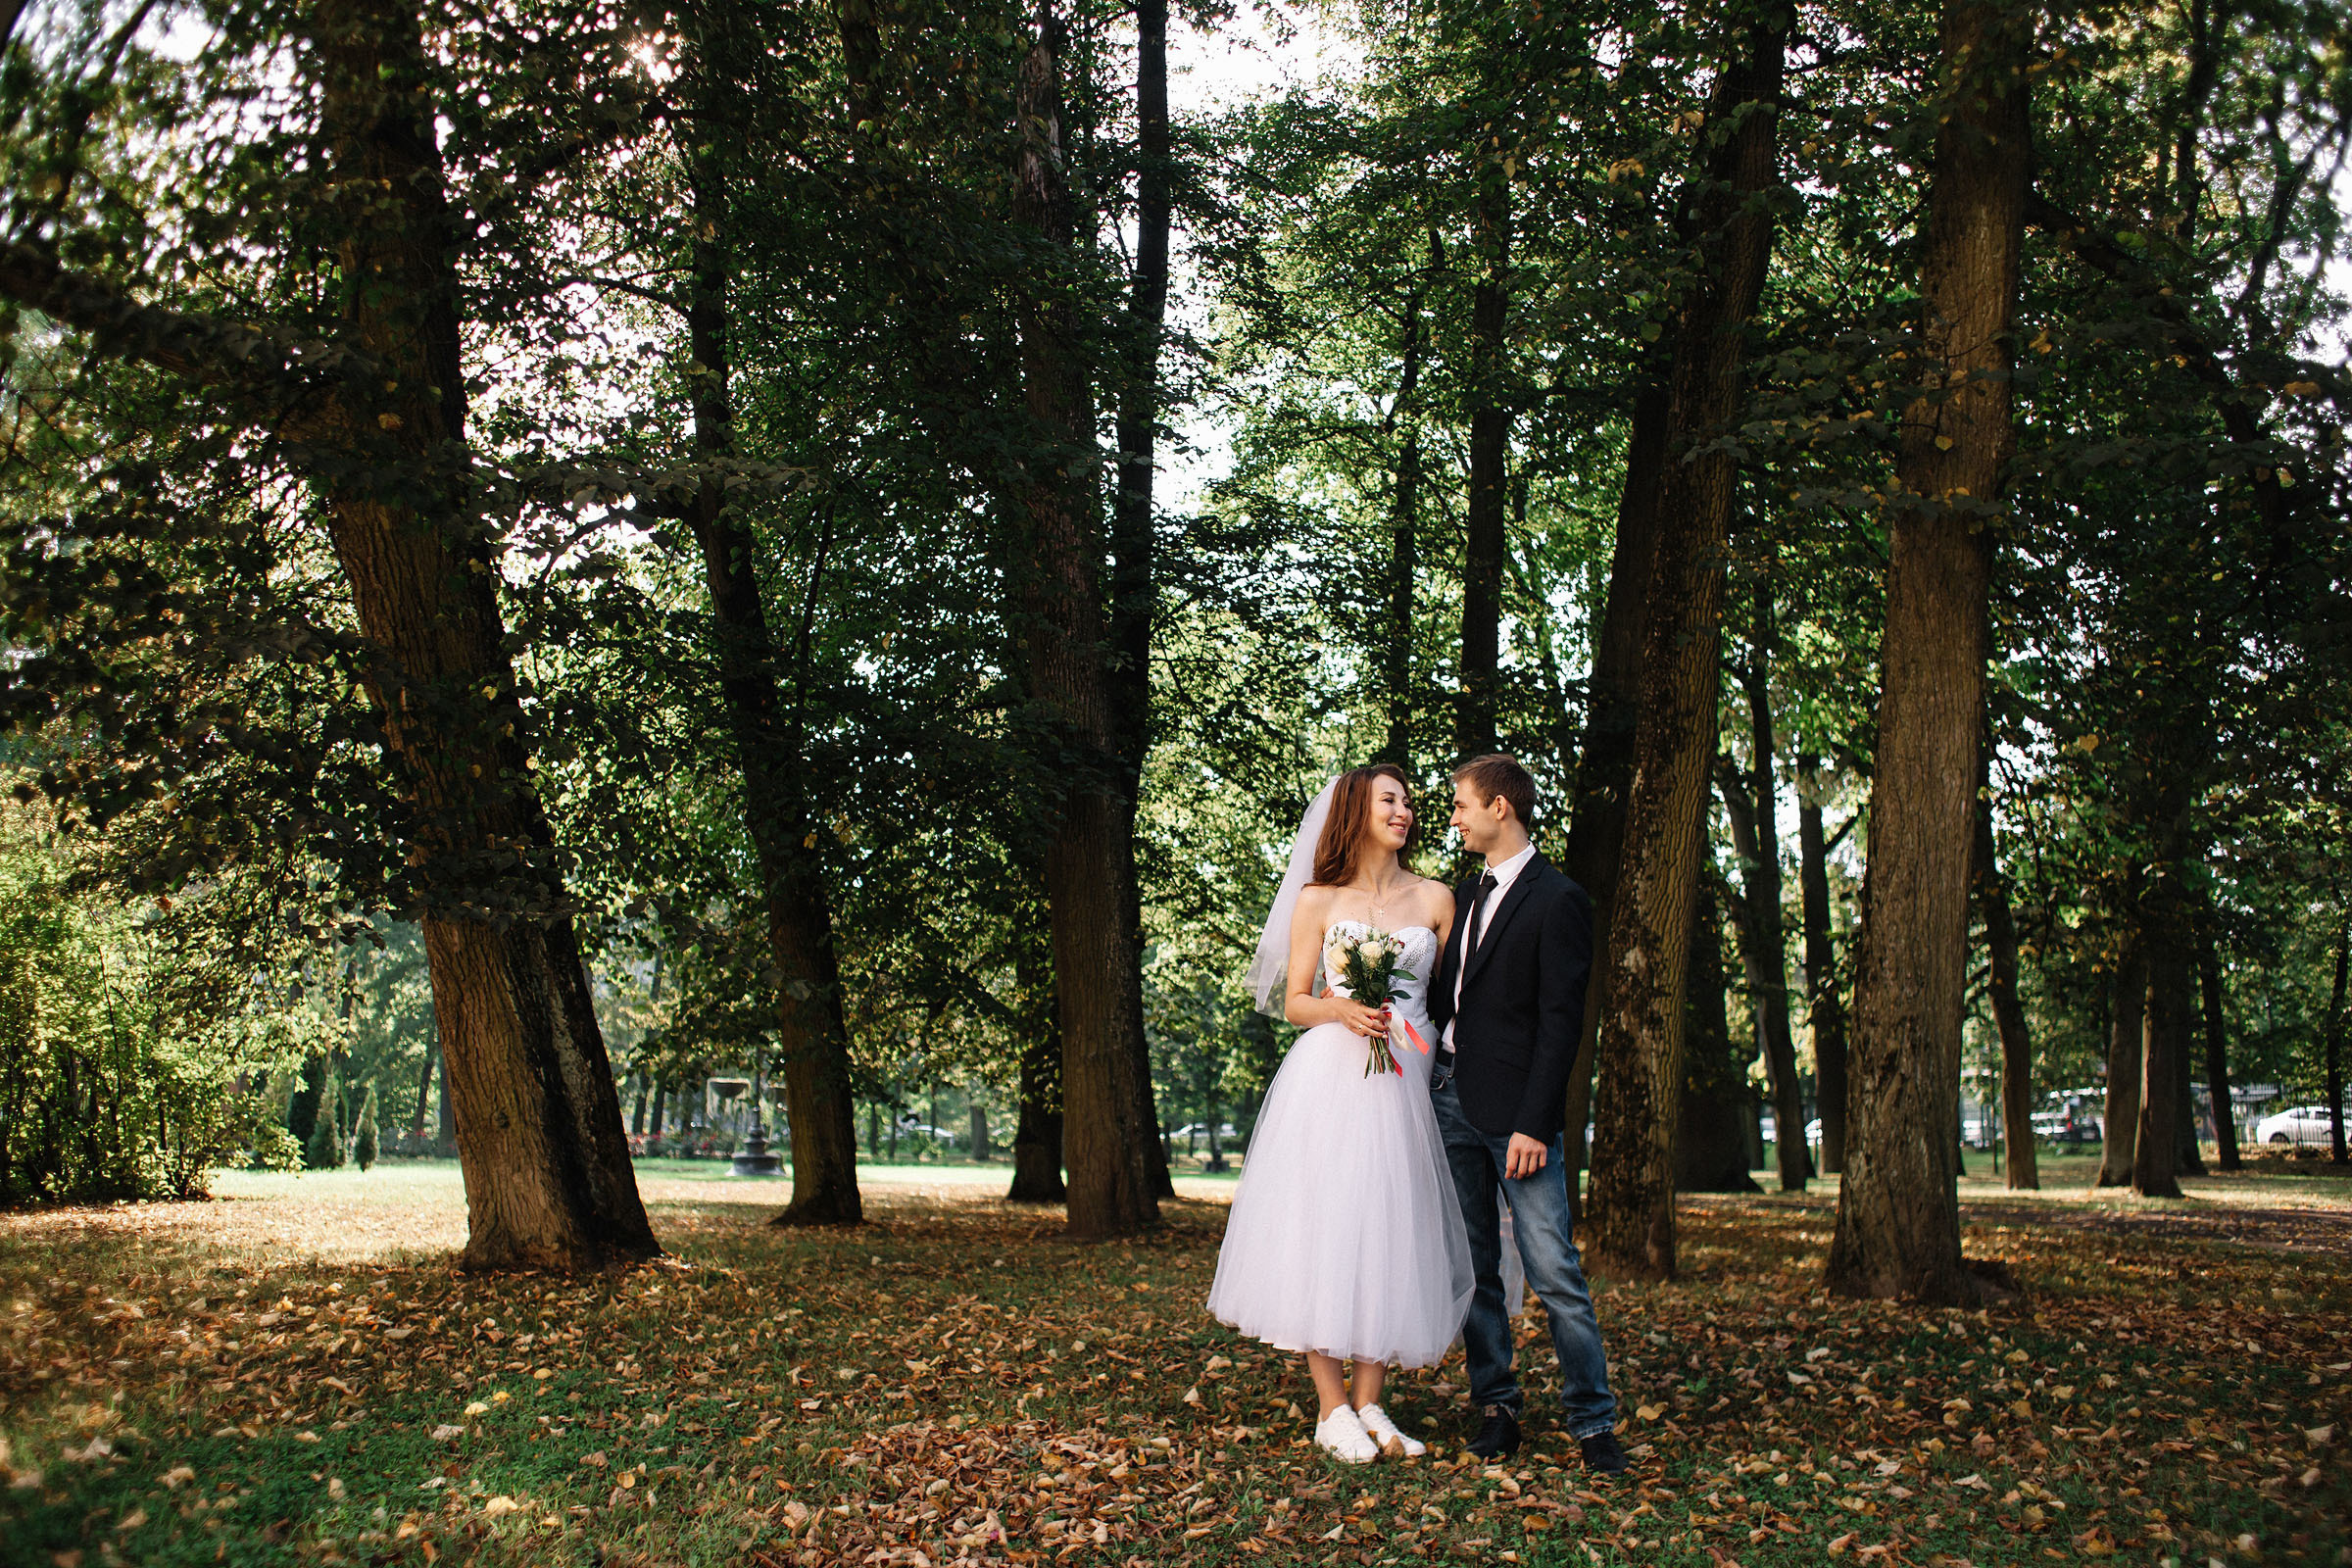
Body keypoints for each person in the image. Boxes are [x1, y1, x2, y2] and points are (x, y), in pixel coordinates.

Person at [1207, 764, 1472, 1464]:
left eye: (1410, 802)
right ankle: (1331, 1410)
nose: (1406, 811)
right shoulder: (1318, 899)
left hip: (1407, 1085)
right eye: (1390, 800)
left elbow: (1455, 998)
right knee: (1327, 1229)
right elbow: (1296, 999)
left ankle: (1372, 1401)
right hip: (1332, 1076)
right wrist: (1342, 1008)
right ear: (1355, 811)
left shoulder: (1439, 898)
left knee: (1389, 1228)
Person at [1426, 754, 1628, 1474]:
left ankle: (1593, 1421)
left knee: (1553, 1272)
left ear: (1500, 809)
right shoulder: (1464, 894)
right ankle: (1497, 1407)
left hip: (1518, 1117)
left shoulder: (1559, 899)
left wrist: (1536, 1124)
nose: (1453, 817)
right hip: (1448, 1101)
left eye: (1461, 805)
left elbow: (1561, 1022)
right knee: (1475, 1266)